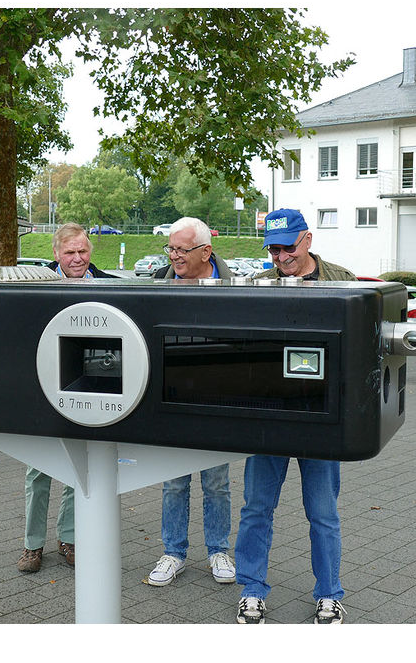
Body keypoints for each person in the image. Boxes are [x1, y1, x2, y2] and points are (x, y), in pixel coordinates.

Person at [234, 208, 357, 624]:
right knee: (256, 508)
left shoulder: (342, 280)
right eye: (272, 249)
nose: (280, 257)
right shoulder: (258, 284)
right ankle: (252, 589)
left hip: (320, 416)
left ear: (307, 239)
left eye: (287, 246)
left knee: (323, 512)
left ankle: (329, 593)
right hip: (268, 414)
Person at [17, 223, 114, 573]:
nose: (77, 259)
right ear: (56, 254)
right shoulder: (35, 287)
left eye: (83, 252)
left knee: (79, 468)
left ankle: (69, 538)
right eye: (70, 252)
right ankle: (32, 546)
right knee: (38, 469)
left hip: (86, 387)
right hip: (44, 387)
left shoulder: (108, 286)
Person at [146, 217, 237, 587]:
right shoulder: (159, 282)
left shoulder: (234, 287)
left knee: (216, 482)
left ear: (206, 251)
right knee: (173, 483)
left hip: (217, 398)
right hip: (171, 398)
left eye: (182, 250)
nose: (175, 256)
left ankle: (218, 551)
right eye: (171, 248)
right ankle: (173, 552)